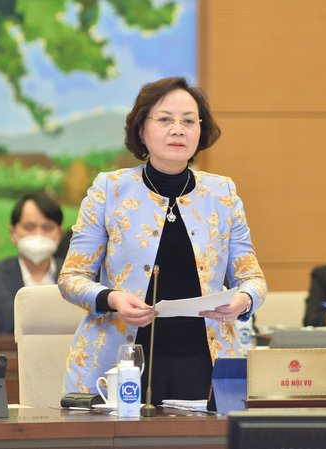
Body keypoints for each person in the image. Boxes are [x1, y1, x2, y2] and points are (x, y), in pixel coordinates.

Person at [59, 77, 267, 405]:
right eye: (165, 119)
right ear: (142, 129)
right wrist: (112, 298)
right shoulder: (109, 190)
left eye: (189, 121)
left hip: (205, 360)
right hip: (123, 360)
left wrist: (243, 300)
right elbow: (71, 278)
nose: (178, 130)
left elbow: (253, 279)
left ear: (201, 130)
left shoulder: (222, 194)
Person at [0, 192, 64, 334]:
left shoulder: (80, 277)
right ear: (13, 233)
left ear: (59, 234)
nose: (38, 234)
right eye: (29, 227)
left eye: (47, 228)